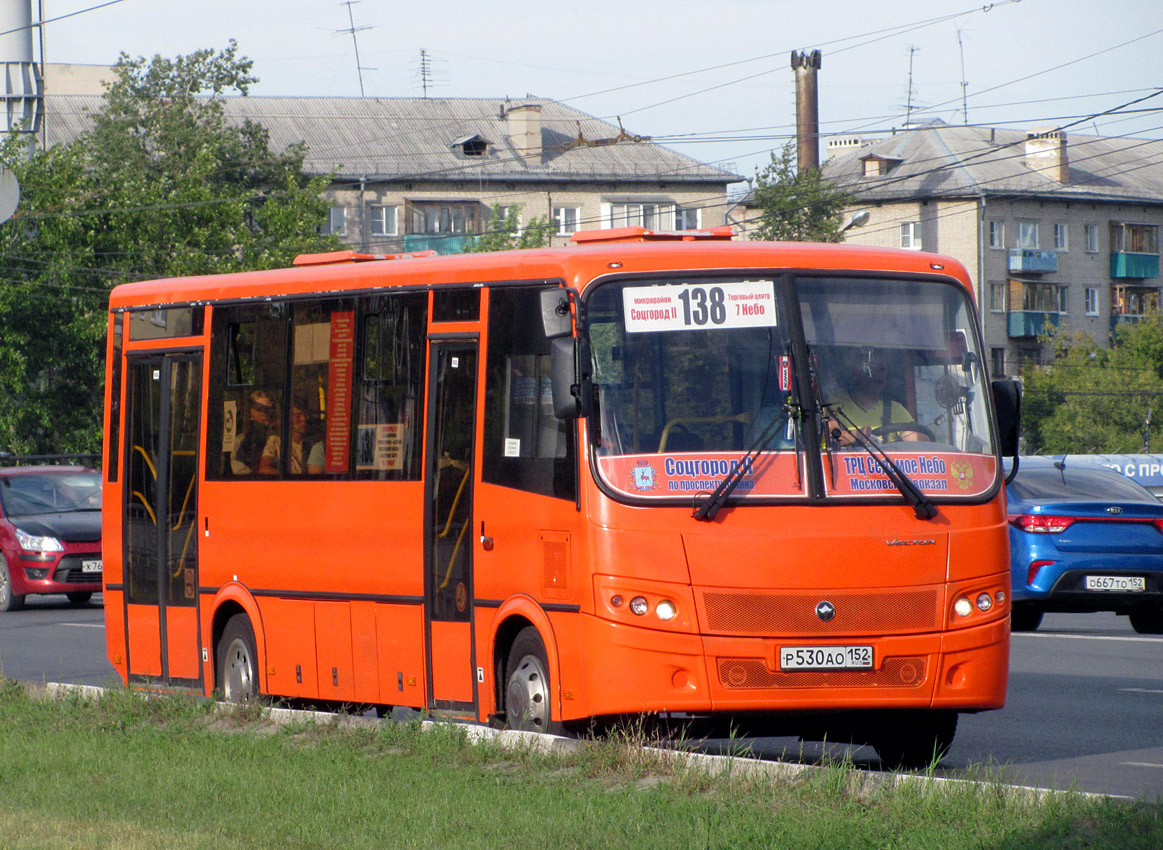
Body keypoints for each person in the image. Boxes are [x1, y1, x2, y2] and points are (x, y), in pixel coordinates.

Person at [827, 347, 921, 446]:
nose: (878, 376)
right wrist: (857, 435)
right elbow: (831, 437)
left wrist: (911, 436)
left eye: (882, 370)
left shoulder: (896, 409)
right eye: (871, 370)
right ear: (856, 373)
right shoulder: (834, 406)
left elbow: (923, 440)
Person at [260, 398, 313, 475]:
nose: (304, 419)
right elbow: (264, 468)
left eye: (306, 414)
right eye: (297, 415)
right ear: (287, 418)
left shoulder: (312, 443)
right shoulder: (276, 441)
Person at [231, 390, 275, 475]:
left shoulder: (279, 439)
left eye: (268, 409)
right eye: (259, 409)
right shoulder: (241, 441)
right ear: (250, 414)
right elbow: (239, 469)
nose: (264, 413)